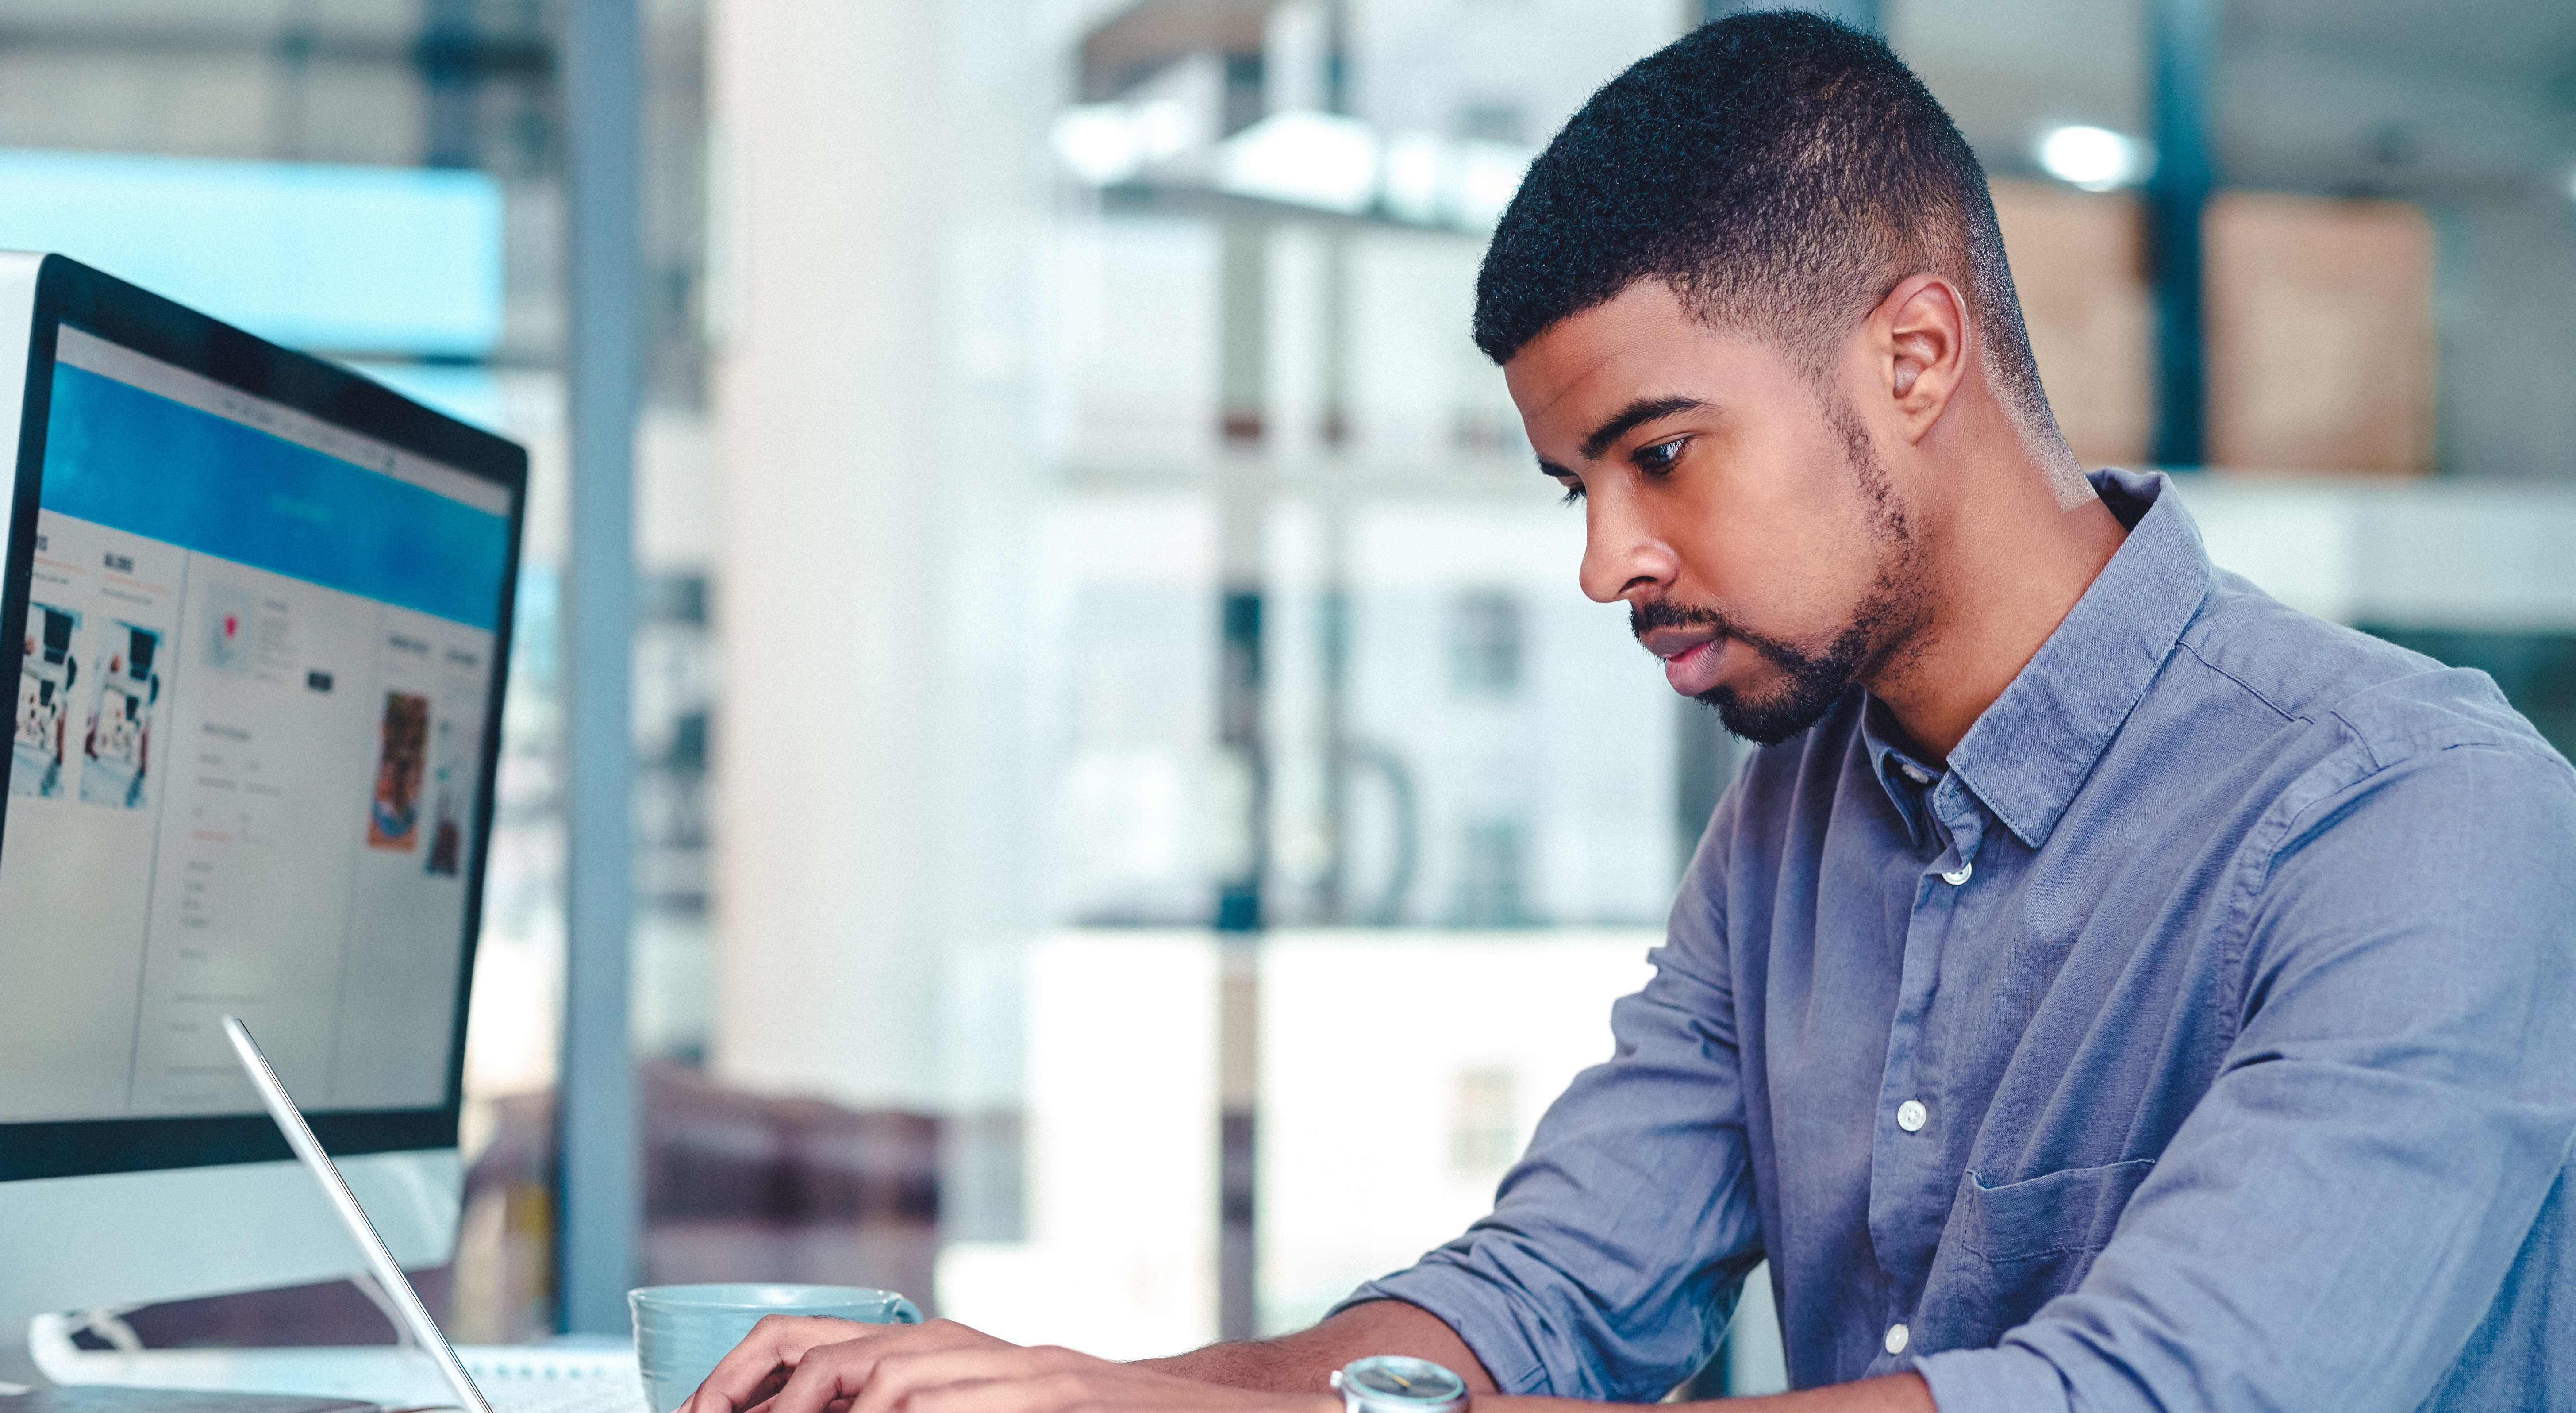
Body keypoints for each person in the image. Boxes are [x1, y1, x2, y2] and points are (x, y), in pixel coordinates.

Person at [678, 13, 2576, 1413]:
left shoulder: (2423, 820)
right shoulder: (1798, 821)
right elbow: (1552, 1293)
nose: (1608, 562)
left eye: (1660, 455)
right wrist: (1100, 1390)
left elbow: (2155, 1397)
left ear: (1915, 354)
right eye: (1575, 484)